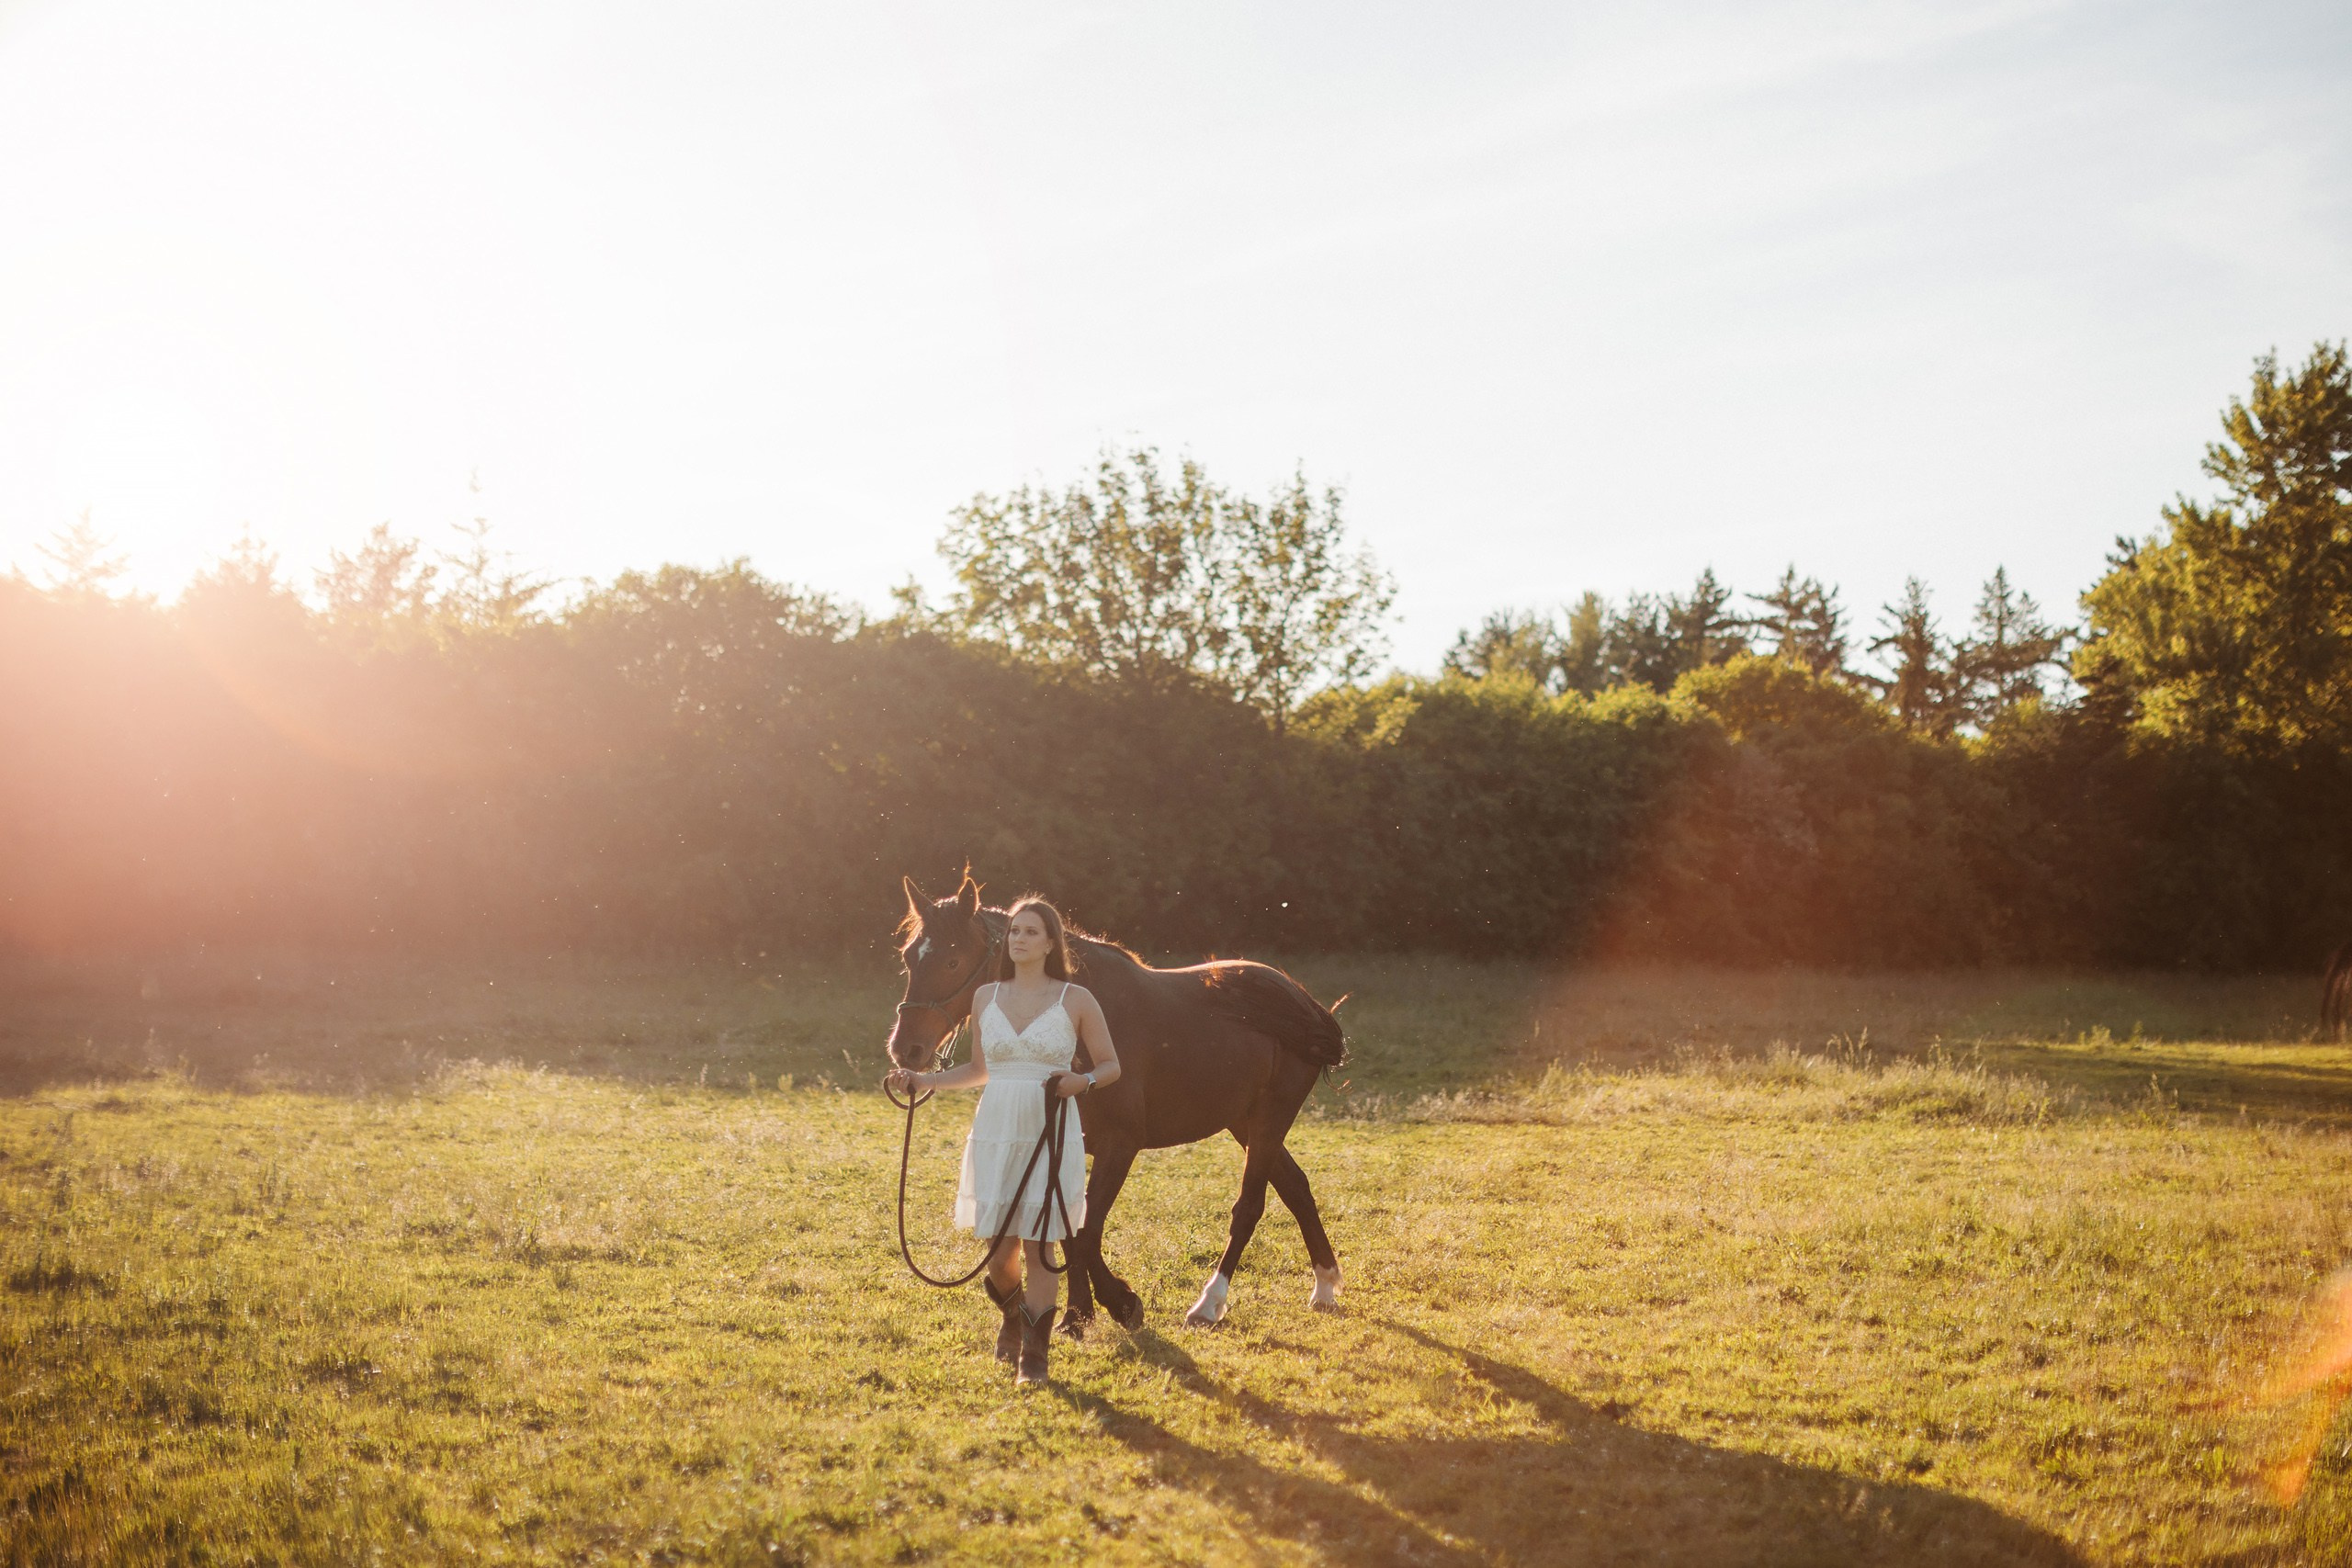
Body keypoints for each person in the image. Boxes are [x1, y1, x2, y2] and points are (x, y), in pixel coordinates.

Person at [885, 897, 1121, 1384]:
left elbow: (1110, 1065)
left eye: (1031, 932)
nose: (1019, 939)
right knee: (998, 1253)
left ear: (1051, 943)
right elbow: (979, 1069)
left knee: (1039, 1247)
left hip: (1049, 1125)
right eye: (1014, 931)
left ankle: (1034, 1357)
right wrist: (922, 1080)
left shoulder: (1076, 999)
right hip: (997, 1128)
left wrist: (1083, 1082)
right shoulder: (986, 997)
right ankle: (1013, 1316)